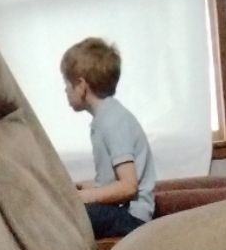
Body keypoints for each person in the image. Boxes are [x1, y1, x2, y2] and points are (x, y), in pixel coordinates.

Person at [61, 37, 156, 238]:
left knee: (70, 215)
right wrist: (83, 188)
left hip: (132, 217)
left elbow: (128, 186)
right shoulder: (107, 117)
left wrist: (85, 197)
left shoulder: (113, 122)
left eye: (67, 83)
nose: (65, 90)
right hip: (122, 211)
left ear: (81, 85)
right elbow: (113, 181)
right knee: (67, 205)